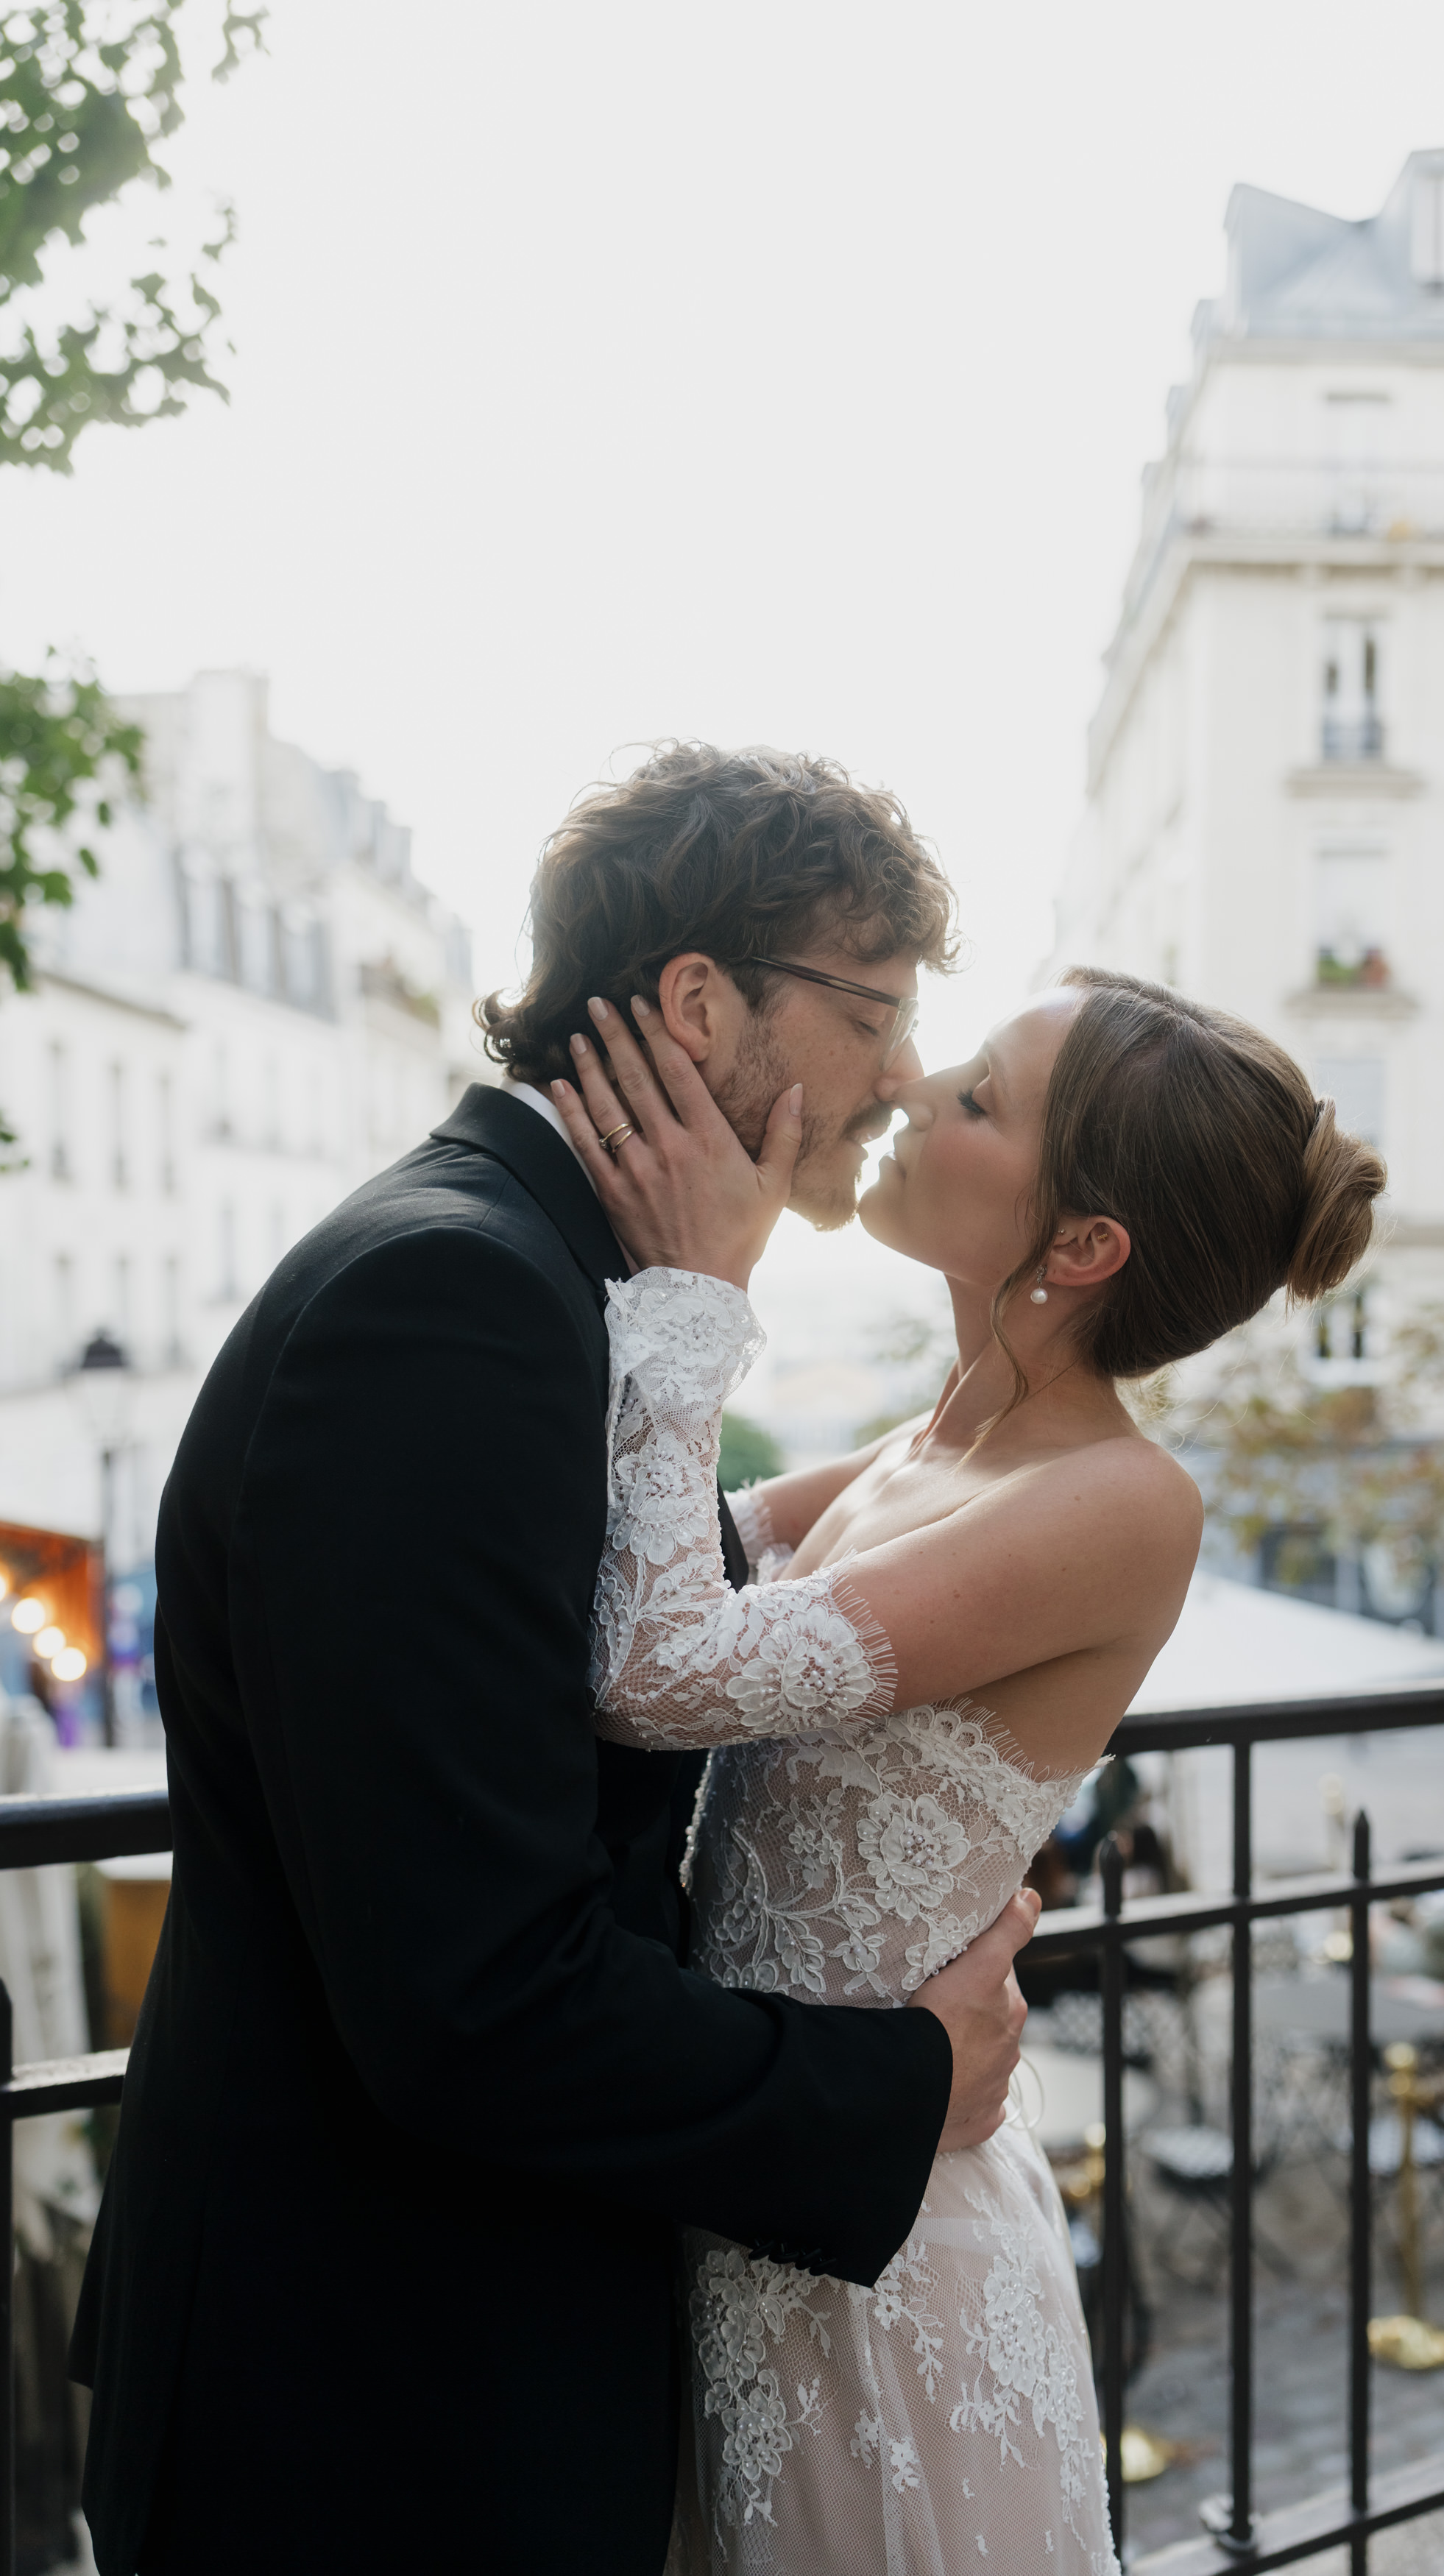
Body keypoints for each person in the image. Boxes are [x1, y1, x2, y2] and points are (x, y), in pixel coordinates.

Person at [68, 746, 1041, 2576]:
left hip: (404, 2358)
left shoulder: (535, 1279)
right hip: (371, 2408)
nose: (905, 1072)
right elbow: (474, 1994)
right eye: (880, 1009)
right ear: (699, 1001)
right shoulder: (453, 1304)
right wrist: (903, 2083)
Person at [551, 964, 1386, 2572]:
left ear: (1080, 1250)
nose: (919, 1081)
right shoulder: (931, 1441)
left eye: (982, 1097)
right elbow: (644, 1562)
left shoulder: (1125, 1501)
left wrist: (695, 1288)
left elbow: (656, 1671)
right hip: (765, 2181)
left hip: (888, 2268)